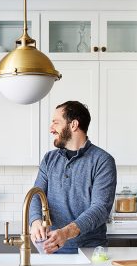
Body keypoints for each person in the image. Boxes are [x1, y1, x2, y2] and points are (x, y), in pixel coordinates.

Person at [29, 101, 116, 254]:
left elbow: (100, 208)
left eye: (56, 123)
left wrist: (65, 233)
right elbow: (36, 195)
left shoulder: (102, 161)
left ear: (73, 124)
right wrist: (35, 221)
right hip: (52, 249)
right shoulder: (49, 159)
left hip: (91, 251)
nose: (51, 129)